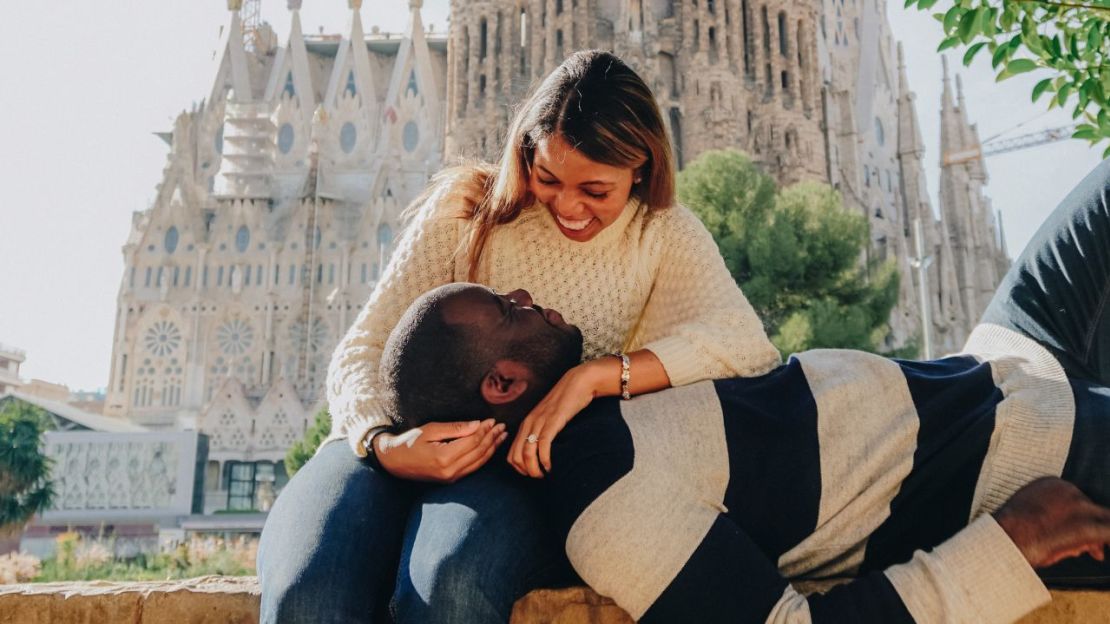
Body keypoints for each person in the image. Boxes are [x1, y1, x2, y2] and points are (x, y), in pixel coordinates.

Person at [376, 159, 1110, 623]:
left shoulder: (597, 398)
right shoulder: (605, 509)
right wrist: (1014, 543)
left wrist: (599, 376)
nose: (528, 295)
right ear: (502, 382)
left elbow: (740, 338)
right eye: (506, 311)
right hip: (1034, 450)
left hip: (1005, 356)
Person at [258, 49, 781, 623]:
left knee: (449, 587)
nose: (568, 205)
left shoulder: (661, 234)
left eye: (596, 191)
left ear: (641, 168)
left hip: (518, 475)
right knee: (307, 592)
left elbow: (744, 346)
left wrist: (595, 377)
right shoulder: (468, 209)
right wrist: (385, 443)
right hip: (378, 452)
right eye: (548, 177)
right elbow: (365, 344)